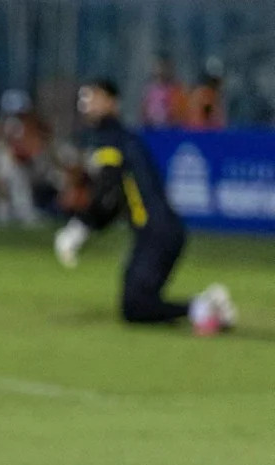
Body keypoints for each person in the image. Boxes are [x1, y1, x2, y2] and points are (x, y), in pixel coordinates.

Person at [54, 80, 235, 334]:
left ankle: (204, 307)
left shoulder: (111, 140)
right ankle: (204, 307)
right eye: (85, 98)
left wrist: (81, 226)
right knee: (136, 302)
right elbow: (116, 198)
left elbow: (108, 193)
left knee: (135, 305)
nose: (87, 104)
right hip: (159, 231)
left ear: (111, 102)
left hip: (156, 232)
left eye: (94, 97)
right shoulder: (122, 138)